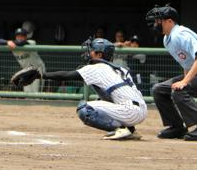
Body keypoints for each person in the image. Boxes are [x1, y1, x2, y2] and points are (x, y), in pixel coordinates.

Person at [12, 38, 146, 140]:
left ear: (99, 55)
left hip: (129, 110)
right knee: (103, 97)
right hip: (140, 109)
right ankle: (131, 130)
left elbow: (68, 75)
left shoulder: (97, 67)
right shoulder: (120, 69)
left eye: (92, 50)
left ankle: (122, 129)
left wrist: (40, 75)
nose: (88, 52)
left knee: (85, 109)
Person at [146, 5, 197, 141]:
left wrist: (185, 82)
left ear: (169, 21)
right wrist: (185, 80)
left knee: (180, 90)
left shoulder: (180, 33)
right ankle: (177, 127)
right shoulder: (167, 39)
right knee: (159, 90)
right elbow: (187, 63)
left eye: (159, 21)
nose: (156, 24)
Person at [3, 28, 46, 93]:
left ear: (26, 37)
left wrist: (11, 42)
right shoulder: (12, 45)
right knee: (27, 93)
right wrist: (7, 42)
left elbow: (21, 43)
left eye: (21, 36)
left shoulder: (31, 42)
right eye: (18, 36)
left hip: (37, 70)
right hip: (26, 71)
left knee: (36, 93)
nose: (19, 38)